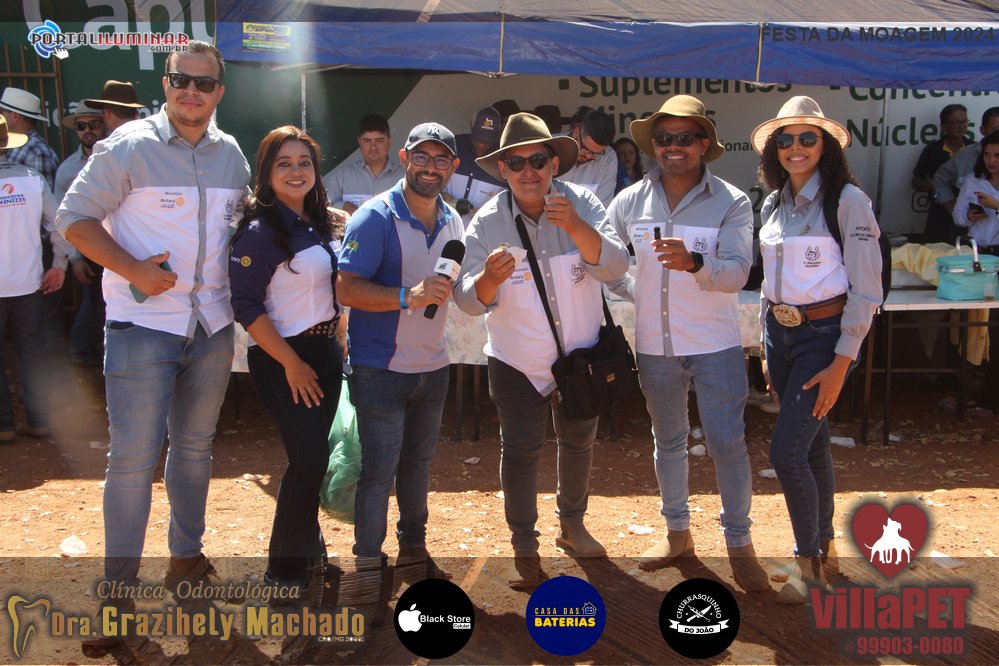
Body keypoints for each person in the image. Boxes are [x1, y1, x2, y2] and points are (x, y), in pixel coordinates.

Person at [56, 41, 251, 638]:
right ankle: (117, 601)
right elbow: (73, 219)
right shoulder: (127, 146)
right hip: (142, 328)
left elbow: (242, 227)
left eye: (204, 82)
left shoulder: (232, 155)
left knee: (194, 451)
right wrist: (133, 269)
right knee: (133, 463)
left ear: (219, 92)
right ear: (166, 84)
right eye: (181, 79)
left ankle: (185, 561)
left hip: (211, 327)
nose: (192, 90)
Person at [455, 112, 629, 590]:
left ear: (554, 164)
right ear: (503, 169)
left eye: (537, 161)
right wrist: (488, 279)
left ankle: (572, 525)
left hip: (580, 357)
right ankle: (524, 544)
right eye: (516, 163)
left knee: (578, 443)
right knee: (520, 452)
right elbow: (467, 302)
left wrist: (576, 227)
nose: (528, 171)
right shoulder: (487, 221)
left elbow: (616, 266)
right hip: (516, 360)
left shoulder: (582, 203)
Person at [605, 95, 768, 593]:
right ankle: (677, 533)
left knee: (726, 443)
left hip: (715, 344)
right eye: (663, 138)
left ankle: (739, 542)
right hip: (655, 345)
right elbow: (606, 260)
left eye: (684, 138)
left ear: (703, 144)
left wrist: (695, 264)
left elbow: (738, 273)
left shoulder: (732, 201)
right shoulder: (630, 201)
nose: (672, 147)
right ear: (653, 145)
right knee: (669, 442)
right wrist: (635, 289)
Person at [750, 96, 882, 604]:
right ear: (774, 150)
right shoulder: (772, 204)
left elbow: (867, 291)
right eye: (786, 139)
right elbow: (769, 286)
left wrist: (842, 361)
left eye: (808, 137)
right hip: (781, 337)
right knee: (813, 444)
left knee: (786, 452)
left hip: (824, 339)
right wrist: (767, 348)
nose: (796, 147)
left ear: (826, 146)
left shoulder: (848, 201)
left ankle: (808, 568)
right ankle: (824, 552)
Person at [337, 122, 463, 580]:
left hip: (433, 365)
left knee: (418, 465)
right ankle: (368, 562)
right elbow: (346, 289)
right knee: (378, 472)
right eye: (422, 157)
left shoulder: (453, 220)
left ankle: (413, 549)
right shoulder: (374, 217)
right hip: (380, 369)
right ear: (405, 159)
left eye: (441, 159)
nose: (431, 168)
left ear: (453, 166)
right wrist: (409, 296)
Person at [230, 126, 346, 598]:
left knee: (315, 462)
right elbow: (246, 307)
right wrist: (292, 363)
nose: (296, 171)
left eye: (304, 163)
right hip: (284, 359)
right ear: (267, 172)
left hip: (326, 354)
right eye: (284, 163)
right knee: (307, 461)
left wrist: (338, 338)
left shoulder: (320, 223)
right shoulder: (259, 234)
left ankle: (309, 554)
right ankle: (283, 576)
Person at [0, 116, 72, 442]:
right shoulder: (32, 180)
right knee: (31, 352)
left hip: (21, 283)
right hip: (29, 282)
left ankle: (4, 426)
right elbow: (61, 224)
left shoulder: (32, 179)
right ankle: (39, 420)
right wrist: (59, 264)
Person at [56, 102, 108, 366]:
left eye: (93, 124)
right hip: (88, 249)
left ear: (104, 124)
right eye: (80, 125)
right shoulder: (67, 170)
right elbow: (60, 218)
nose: (87, 130)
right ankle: (83, 354)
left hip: (120, 243)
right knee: (94, 304)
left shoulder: (116, 157)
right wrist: (75, 258)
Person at [952, 131, 999, 414]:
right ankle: (972, 394)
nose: (992, 161)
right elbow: (958, 217)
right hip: (978, 257)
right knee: (976, 326)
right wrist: (969, 215)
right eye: (988, 155)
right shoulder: (973, 181)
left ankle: (990, 397)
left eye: (997, 155)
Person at [911, 104, 972, 243]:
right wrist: (929, 187)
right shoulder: (932, 150)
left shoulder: (974, 149)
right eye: (955, 122)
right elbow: (916, 181)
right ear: (943, 125)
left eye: (964, 121)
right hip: (940, 213)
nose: (961, 126)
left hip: (968, 214)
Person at [322, 114, 403, 214]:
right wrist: (343, 206)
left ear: (389, 141)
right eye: (367, 141)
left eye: (379, 140)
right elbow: (322, 207)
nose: (373, 147)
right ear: (359, 141)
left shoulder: (404, 177)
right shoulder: (341, 177)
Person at [934, 106, 999, 227]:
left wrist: (996, 207)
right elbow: (940, 178)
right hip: (973, 233)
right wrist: (951, 204)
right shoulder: (966, 159)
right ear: (982, 130)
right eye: (996, 130)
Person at [444, 106, 505, 224]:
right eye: (479, 138)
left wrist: (492, 212)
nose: (482, 145)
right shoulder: (453, 146)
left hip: (483, 230)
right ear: (470, 125)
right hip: (445, 226)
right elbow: (430, 185)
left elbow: (511, 202)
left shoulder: (504, 158)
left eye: (488, 141)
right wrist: (451, 202)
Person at [0, 88, 58, 190]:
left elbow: (43, 194)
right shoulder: (8, 144)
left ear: (15, 116)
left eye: (1, 112)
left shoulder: (37, 152)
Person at [561, 108, 618, 207]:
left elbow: (602, 208)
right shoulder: (548, 146)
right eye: (585, 149)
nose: (588, 156)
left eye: (596, 153)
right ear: (576, 132)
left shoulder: (608, 157)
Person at [81, 80, 146, 137]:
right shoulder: (150, 140)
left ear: (106, 113)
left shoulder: (106, 146)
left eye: (102, 112)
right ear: (136, 115)